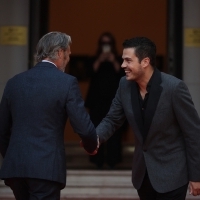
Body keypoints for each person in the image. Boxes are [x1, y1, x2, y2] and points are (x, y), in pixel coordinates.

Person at [93, 37, 200, 199]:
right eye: (123, 60)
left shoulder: (174, 88)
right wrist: (95, 138)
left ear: (145, 62)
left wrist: (196, 175)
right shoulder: (124, 85)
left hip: (173, 175)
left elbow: (193, 133)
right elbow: (112, 119)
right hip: (142, 176)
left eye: (128, 61)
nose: (123, 66)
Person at [0, 32, 98, 200]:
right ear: (59, 52)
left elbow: (2, 130)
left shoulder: (14, 82)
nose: (68, 58)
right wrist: (91, 146)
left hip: (16, 168)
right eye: (68, 53)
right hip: (45, 169)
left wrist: (12, 156)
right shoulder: (67, 82)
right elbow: (82, 125)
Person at [85, 32, 126, 169]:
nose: (106, 46)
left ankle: (113, 160)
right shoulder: (94, 59)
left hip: (114, 101)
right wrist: (100, 60)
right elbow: (88, 74)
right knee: (96, 131)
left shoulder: (120, 60)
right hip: (97, 102)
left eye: (108, 43)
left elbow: (123, 75)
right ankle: (97, 161)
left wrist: (114, 60)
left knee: (114, 132)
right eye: (103, 43)